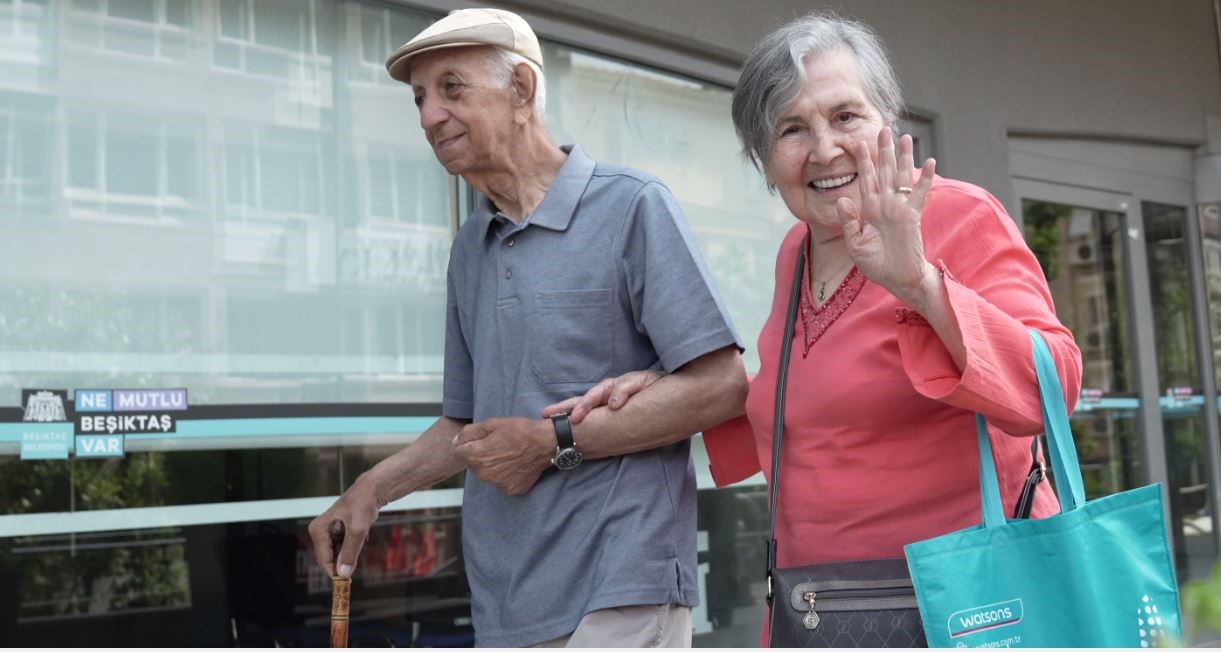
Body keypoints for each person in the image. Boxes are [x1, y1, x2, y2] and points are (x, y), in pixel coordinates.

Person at [546, 10, 1083, 643]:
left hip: (968, 610)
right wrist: (671, 389)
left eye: (845, 115)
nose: (824, 149)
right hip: (823, 608)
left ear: (887, 122)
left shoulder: (957, 215)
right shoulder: (795, 253)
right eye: (791, 129)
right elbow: (815, 403)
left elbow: (1053, 387)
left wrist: (921, 285)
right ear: (764, 160)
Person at [306, 7, 748, 648]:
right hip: (506, 600)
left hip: (620, 583)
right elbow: (464, 426)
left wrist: (552, 441)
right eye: (420, 97)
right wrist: (371, 490)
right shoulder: (470, 247)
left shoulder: (631, 206)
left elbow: (721, 386)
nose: (429, 115)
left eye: (452, 88)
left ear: (521, 89)